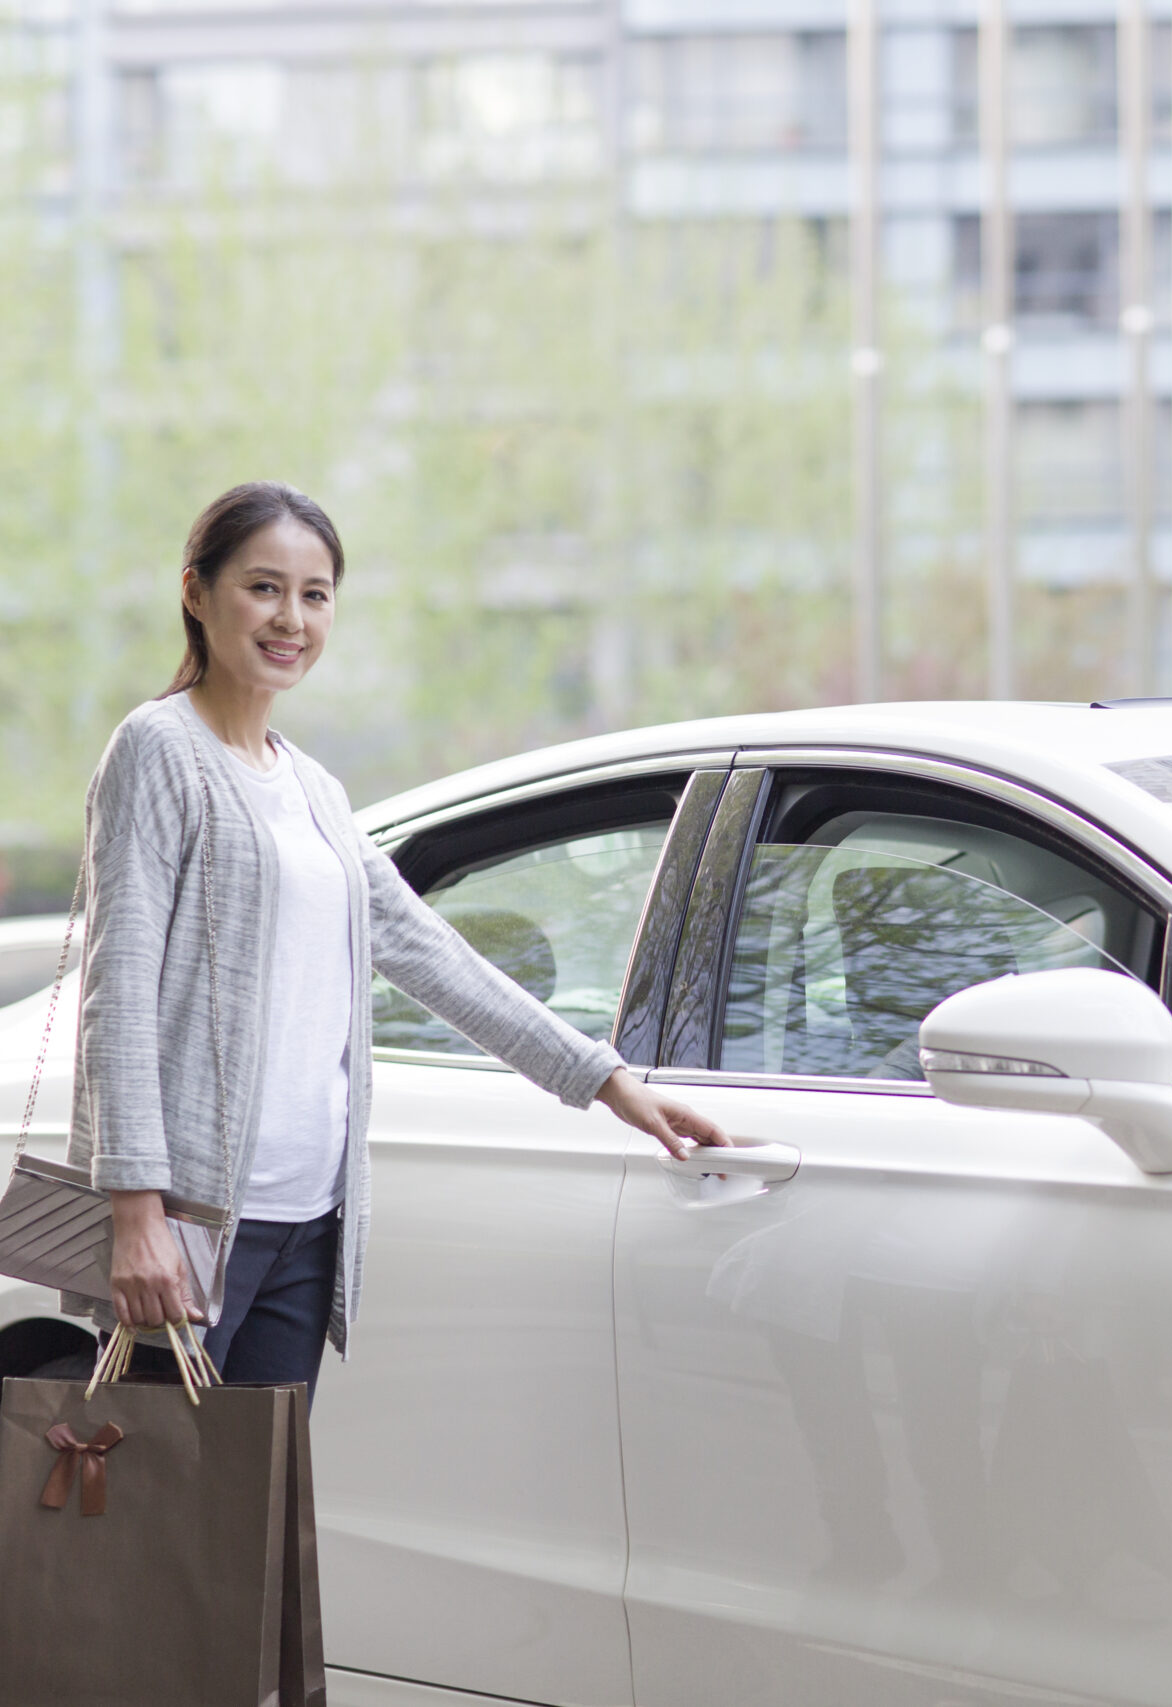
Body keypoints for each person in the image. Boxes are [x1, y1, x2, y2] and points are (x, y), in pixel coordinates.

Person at [72, 481, 726, 1394]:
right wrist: (135, 1211)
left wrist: (607, 1080)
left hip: (311, 1220)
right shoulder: (158, 749)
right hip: (194, 1219)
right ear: (196, 591)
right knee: (162, 1513)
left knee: (252, 1516)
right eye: (263, 588)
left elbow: (434, 955)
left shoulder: (315, 791)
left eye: (315, 593)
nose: (290, 618)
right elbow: (120, 990)